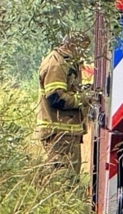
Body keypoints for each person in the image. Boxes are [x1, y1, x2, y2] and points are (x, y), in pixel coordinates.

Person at [36, 32, 91, 178]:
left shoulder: (66, 62)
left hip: (66, 134)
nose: (84, 54)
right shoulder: (56, 64)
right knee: (61, 177)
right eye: (83, 49)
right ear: (72, 46)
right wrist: (82, 99)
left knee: (69, 177)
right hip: (59, 134)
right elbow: (55, 98)